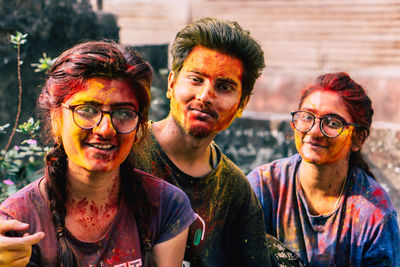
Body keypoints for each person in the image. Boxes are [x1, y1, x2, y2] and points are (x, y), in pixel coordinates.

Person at [0, 41, 197, 267]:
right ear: (56, 120)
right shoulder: (17, 224)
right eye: (86, 110)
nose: (105, 129)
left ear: (139, 125)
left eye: (123, 113)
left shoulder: (165, 205)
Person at [132, 17, 271, 266]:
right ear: (172, 84)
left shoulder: (236, 194)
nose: (206, 96)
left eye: (225, 86)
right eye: (196, 79)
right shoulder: (125, 151)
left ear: (242, 104)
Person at [247, 72, 400, 266]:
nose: (314, 131)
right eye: (306, 117)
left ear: (357, 139)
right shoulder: (264, 186)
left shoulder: (374, 216)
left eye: (332, 123)